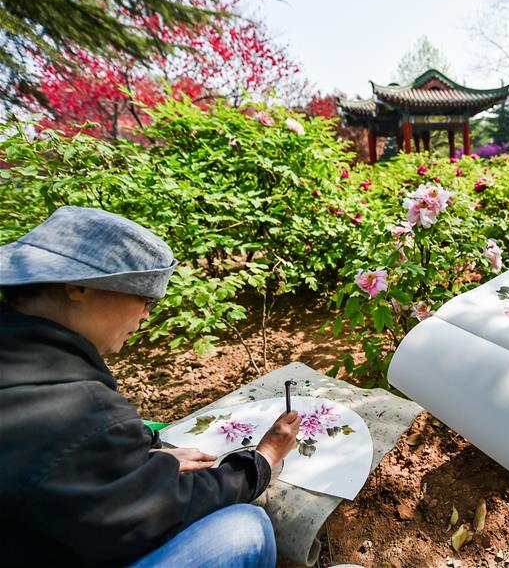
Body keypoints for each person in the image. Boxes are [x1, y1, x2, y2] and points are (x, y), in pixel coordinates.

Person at [0, 206, 302, 567]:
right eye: (143, 299)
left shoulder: (23, 359)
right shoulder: (78, 409)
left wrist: (139, 464)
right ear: (78, 287)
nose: (145, 316)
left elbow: (62, 473)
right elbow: (157, 514)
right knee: (246, 530)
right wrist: (262, 460)